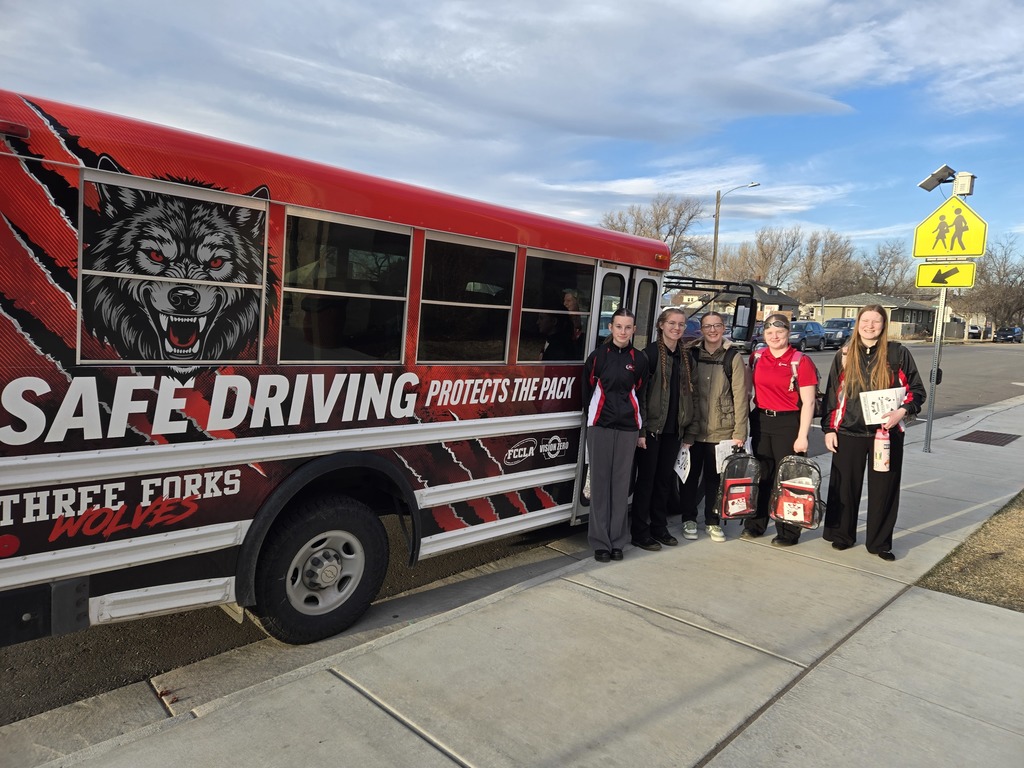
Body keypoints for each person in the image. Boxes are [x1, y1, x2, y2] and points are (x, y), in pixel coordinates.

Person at [821, 305, 926, 561]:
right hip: (848, 432)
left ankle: (879, 542)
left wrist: (901, 412)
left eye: (876, 321)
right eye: (865, 320)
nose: (870, 326)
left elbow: (917, 392)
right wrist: (829, 428)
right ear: (857, 323)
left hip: (885, 436)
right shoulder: (845, 353)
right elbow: (834, 394)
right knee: (844, 486)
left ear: (883, 324)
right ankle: (842, 535)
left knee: (884, 489)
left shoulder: (897, 353)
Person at [742, 313, 818, 546]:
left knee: (788, 478)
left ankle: (788, 531)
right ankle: (756, 524)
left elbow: (809, 402)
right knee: (762, 474)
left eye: (780, 332)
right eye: (769, 332)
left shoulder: (799, 361)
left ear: (788, 333)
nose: (774, 336)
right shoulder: (757, 357)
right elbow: (746, 392)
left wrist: (803, 435)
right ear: (763, 335)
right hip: (762, 420)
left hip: (789, 423)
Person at [582, 308, 645, 563]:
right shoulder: (598, 357)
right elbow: (587, 392)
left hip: (628, 429)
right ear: (611, 328)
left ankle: (618, 541)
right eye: (618, 326)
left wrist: (641, 430)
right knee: (600, 486)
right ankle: (600, 542)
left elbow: (641, 396)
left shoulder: (639, 359)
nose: (623, 331)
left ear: (634, 330)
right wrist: (592, 420)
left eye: (628, 327)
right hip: (600, 427)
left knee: (620, 487)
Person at [631, 307, 696, 551]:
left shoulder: (686, 358)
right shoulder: (649, 355)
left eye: (681, 324)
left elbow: (693, 396)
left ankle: (659, 527)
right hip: (651, 431)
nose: (676, 328)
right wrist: (642, 431)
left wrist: (688, 431)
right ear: (661, 325)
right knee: (646, 482)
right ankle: (640, 531)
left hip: (673, 430)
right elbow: (641, 396)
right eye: (672, 323)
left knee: (664, 482)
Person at [680, 312, 749, 542]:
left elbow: (741, 396)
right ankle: (688, 519)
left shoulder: (733, 357)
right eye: (707, 326)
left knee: (715, 480)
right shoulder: (691, 354)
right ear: (701, 329)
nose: (712, 330)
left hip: (722, 432)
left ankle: (712, 521)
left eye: (717, 326)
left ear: (724, 328)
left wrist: (740, 432)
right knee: (689, 478)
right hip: (693, 429)